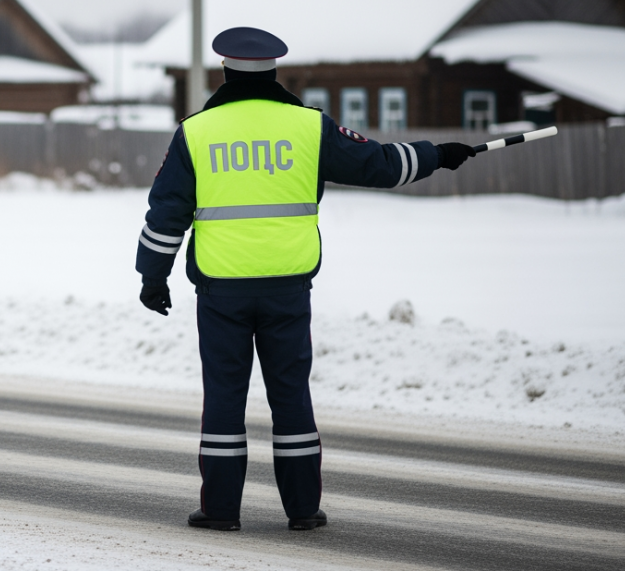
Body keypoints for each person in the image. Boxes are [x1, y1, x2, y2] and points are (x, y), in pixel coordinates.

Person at [135, 27, 476, 532]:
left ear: (224, 70)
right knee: (291, 395)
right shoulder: (309, 127)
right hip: (288, 287)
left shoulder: (196, 132)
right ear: (275, 70)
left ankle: (221, 510)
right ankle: (302, 510)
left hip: (221, 288)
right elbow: (379, 164)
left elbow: (166, 213)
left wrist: (152, 277)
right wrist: (437, 154)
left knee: (225, 396)